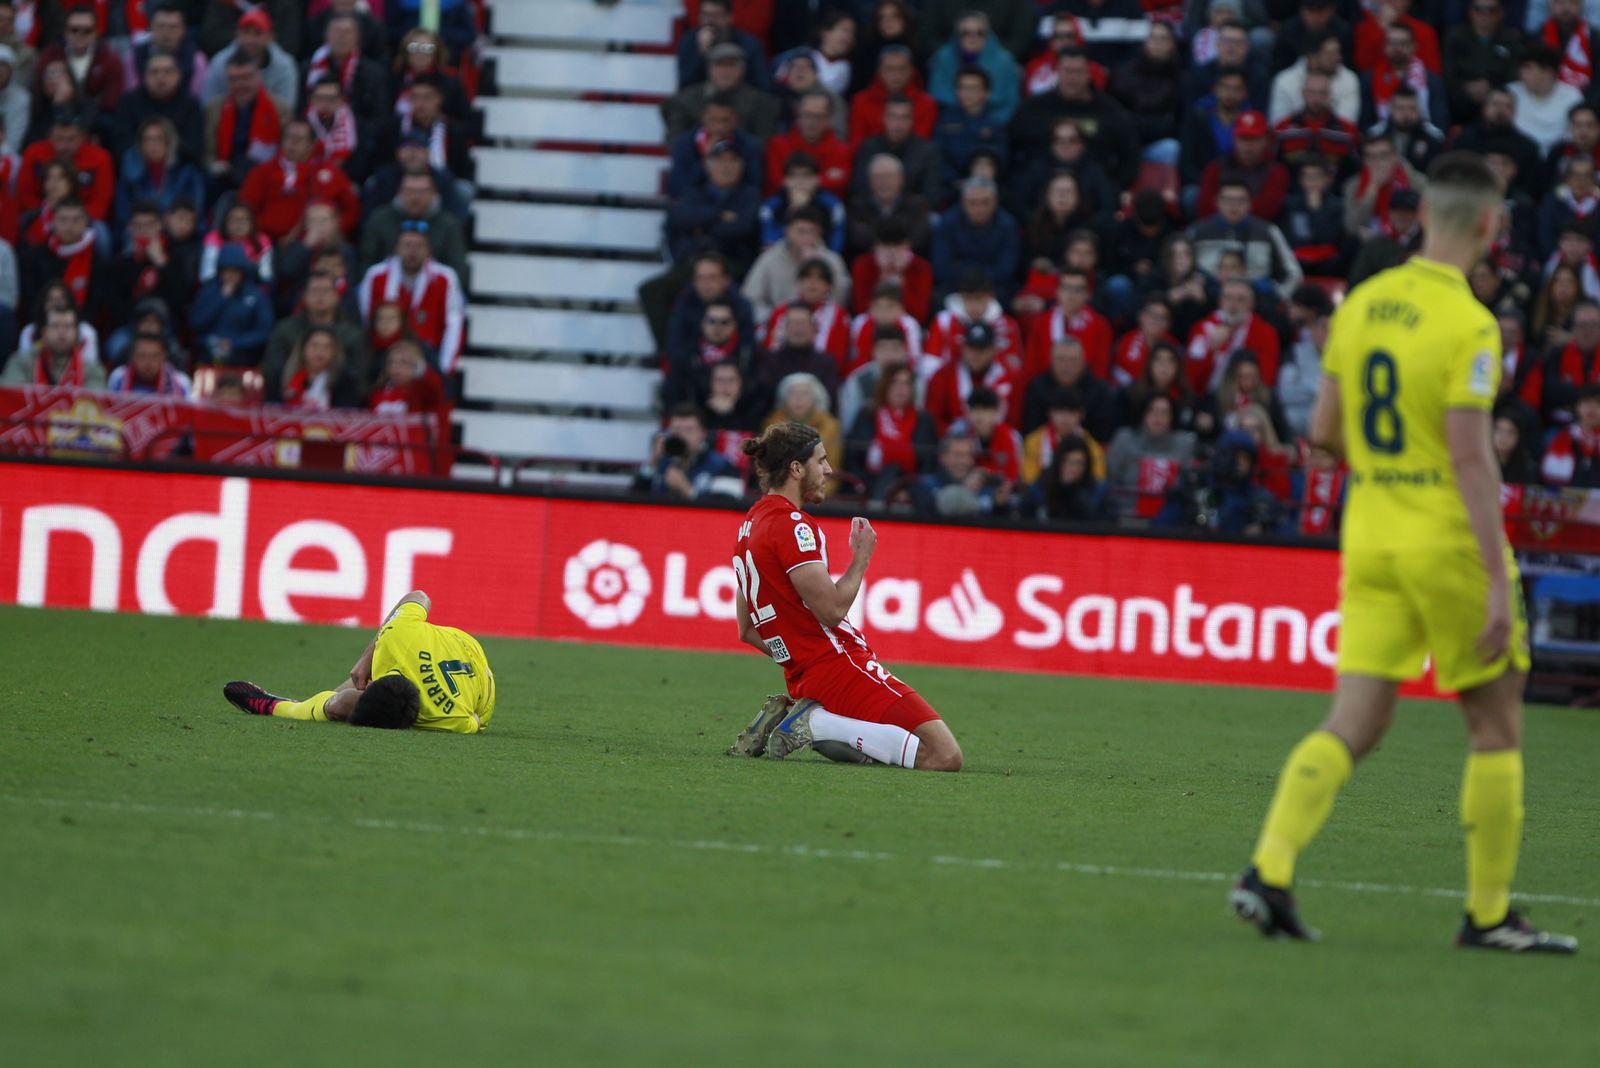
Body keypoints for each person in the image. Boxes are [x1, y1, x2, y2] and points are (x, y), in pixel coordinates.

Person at [1230, 151, 1578, 954]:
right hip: (1444, 541)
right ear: (1490, 225)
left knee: (1355, 719)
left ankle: (1269, 869)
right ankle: (1489, 915)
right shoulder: (1471, 323)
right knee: (1495, 724)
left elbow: (1321, 433)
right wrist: (1499, 580)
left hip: (1372, 537)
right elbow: (1470, 456)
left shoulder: (1362, 304)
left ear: (1422, 214)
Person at [726, 422, 964, 771]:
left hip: (801, 675)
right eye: (820, 461)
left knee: (877, 746)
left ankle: (808, 719)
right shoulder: (793, 525)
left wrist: (796, 658)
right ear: (796, 468)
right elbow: (832, 610)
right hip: (839, 666)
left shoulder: (749, 525)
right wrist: (862, 556)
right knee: (945, 756)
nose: (829, 470)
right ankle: (815, 722)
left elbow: (747, 629)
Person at [223, 590, 496, 733]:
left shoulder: (451, 718)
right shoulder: (396, 639)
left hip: (472, 668)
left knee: (340, 706)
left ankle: (281, 706)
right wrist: (366, 656)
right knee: (346, 700)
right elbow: (419, 596)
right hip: (468, 656)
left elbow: (419, 596)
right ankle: (295, 705)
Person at [357, 225, 466, 374]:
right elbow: (366, 320)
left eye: (419, 246)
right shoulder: (376, 276)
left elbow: (454, 324)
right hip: (383, 356)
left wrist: (444, 368)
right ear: (396, 248)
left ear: (429, 250)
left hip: (429, 355)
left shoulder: (445, 278)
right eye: (407, 245)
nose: (412, 251)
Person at [639, 403, 744, 500]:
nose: (682, 435)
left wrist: (688, 490)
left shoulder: (723, 465)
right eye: (676, 429)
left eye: (689, 430)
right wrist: (653, 461)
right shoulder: (663, 461)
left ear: (703, 433)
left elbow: (729, 505)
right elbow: (635, 497)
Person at [1, 302, 104, 386]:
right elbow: (10, 397)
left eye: (68, 326)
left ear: (77, 333)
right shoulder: (21, 363)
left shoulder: (91, 370)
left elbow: (96, 404)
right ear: (44, 332)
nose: (62, 332)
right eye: (55, 326)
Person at [106, 330, 190, 396]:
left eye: (154, 356)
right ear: (133, 357)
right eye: (142, 355)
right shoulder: (118, 378)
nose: (148, 362)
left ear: (163, 357)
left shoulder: (181, 383)